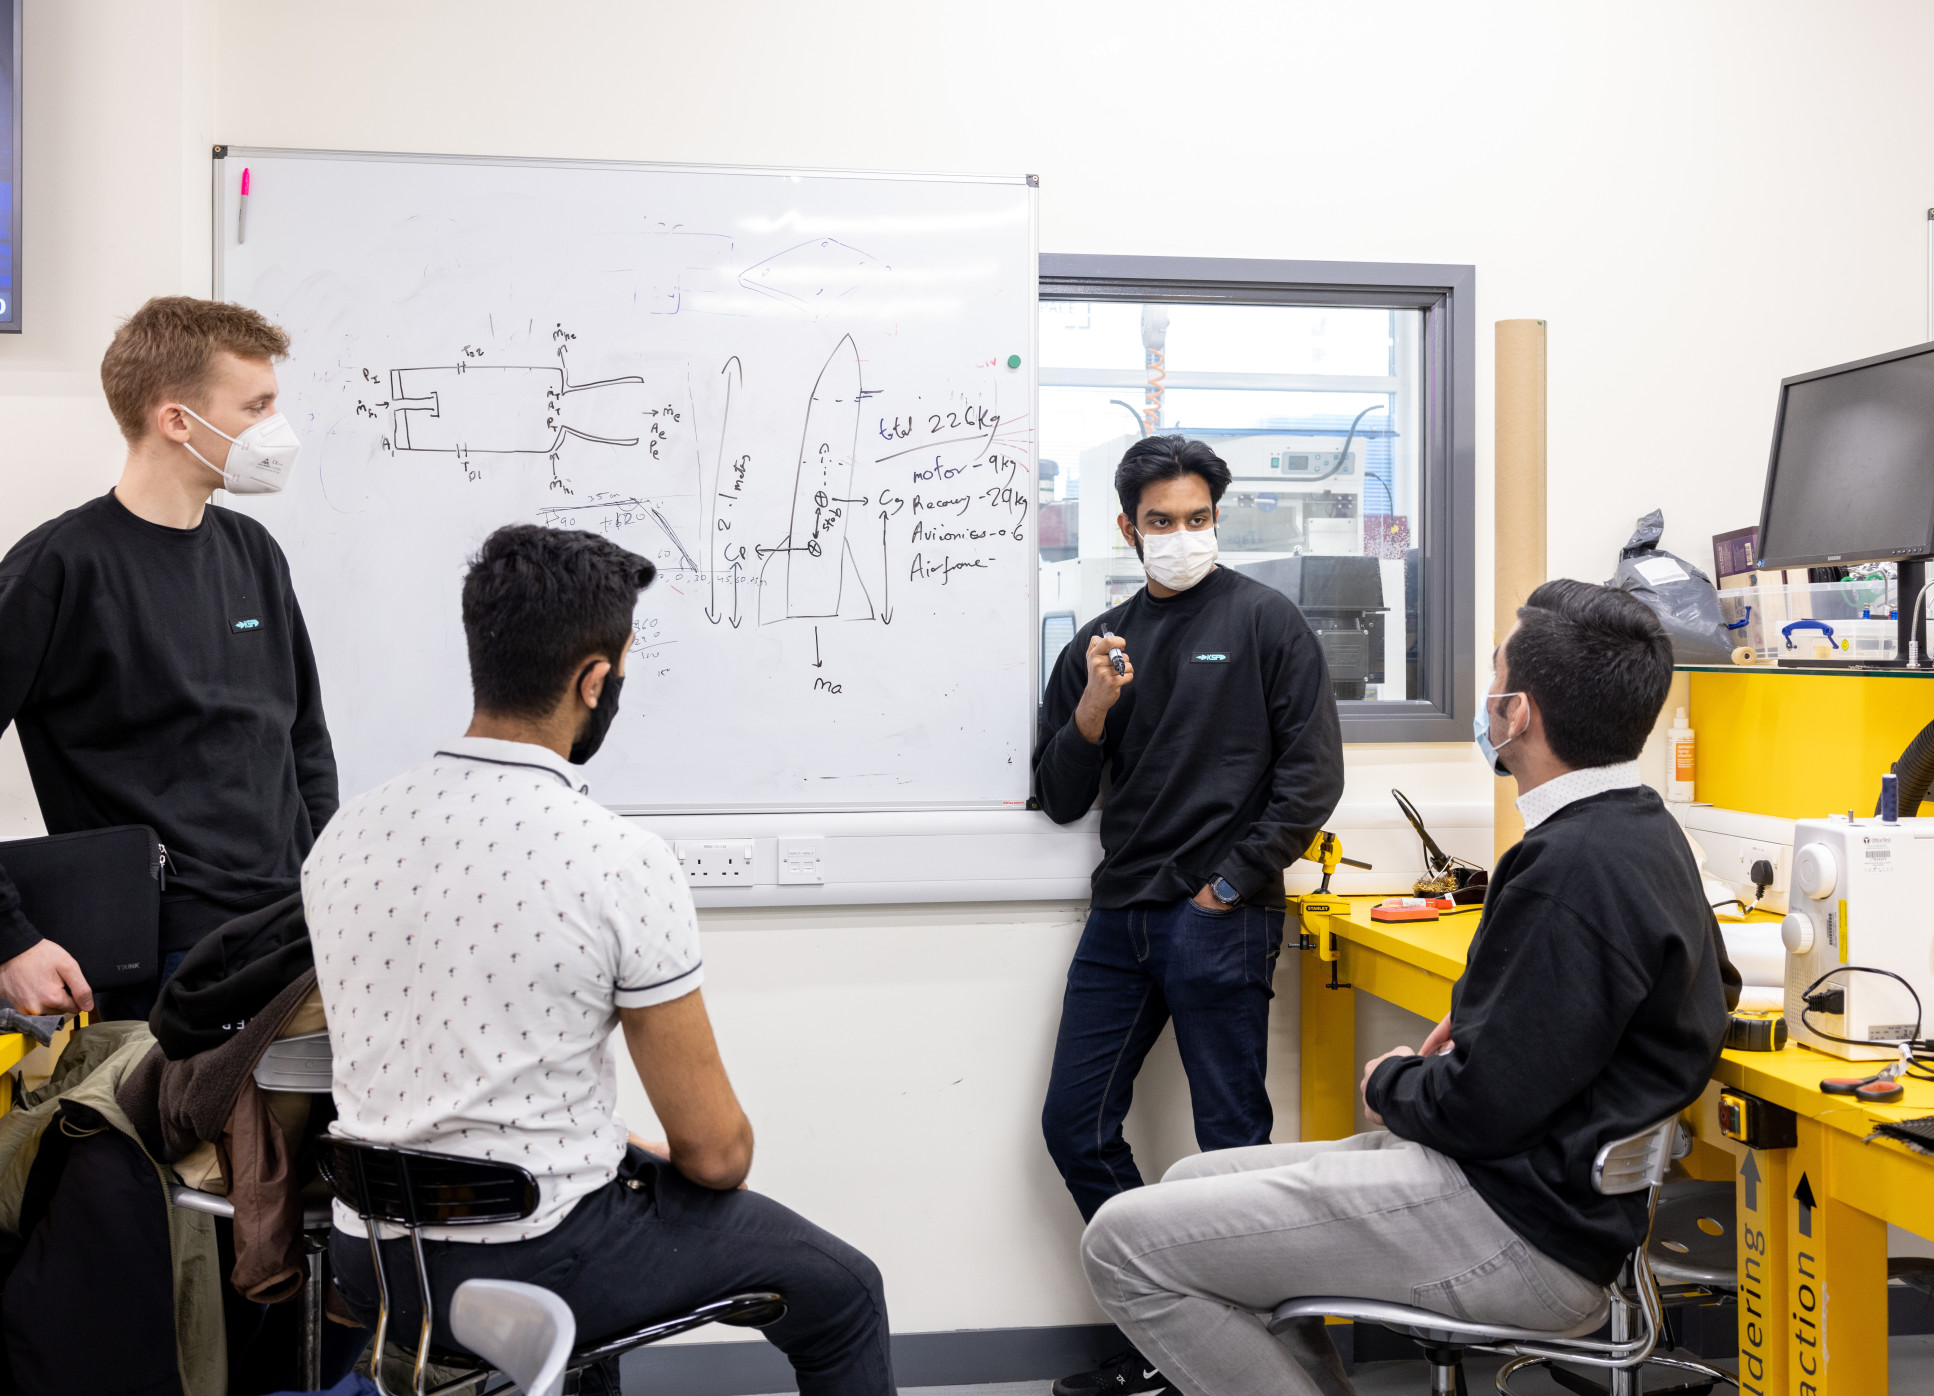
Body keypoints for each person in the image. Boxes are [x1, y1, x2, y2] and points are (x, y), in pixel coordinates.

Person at [1076, 580, 1736, 1396]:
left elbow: (1476, 1107)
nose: (1485, 694)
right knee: (1190, 1186)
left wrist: (1394, 1081)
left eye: (1494, 673)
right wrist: (1490, 1019)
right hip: (1536, 1194)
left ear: (1517, 713)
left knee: (1120, 1243)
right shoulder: (1641, 828)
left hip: (1513, 1225)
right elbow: (1709, 989)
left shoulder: (1569, 868)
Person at [311, 524, 894, 1396]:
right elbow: (716, 1154)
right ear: (595, 678)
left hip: (371, 1259)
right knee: (845, 1292)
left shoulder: (347, 834)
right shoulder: (613, 858)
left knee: (606, 1208)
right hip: (536, 1263)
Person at [1033, 434, 1346, 1396]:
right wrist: (1093, 706)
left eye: (1197, 519)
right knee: (1075, 1126)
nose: (1180, 536)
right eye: (1161, 523)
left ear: (1219, 516)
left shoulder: (1266, 622)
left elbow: (1311, 779)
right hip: (1122, 916)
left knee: (1232, 1151)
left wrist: (1224, 886)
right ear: (1128, 528)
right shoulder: (1105, 640)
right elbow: (1058, 794)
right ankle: (1179, 1332)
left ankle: (1246, 1365)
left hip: (1220, 918)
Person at [0, 296, 336, 1018]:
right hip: (163, 959)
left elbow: (302, 739)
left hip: (289, 934)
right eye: (256, 407)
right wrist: (10, 939)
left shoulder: (254, 554)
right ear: (177, 420)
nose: (275, 430)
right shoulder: (59, 569)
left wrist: (324, 890)